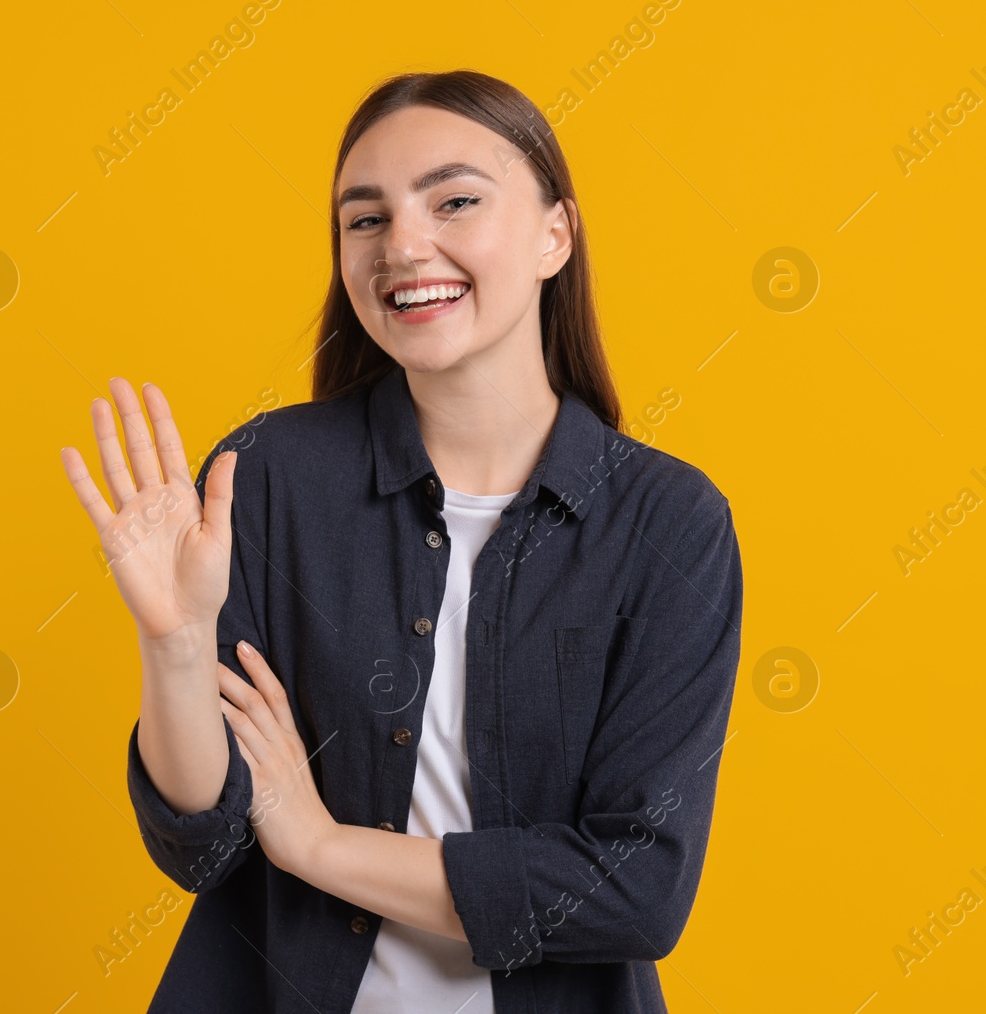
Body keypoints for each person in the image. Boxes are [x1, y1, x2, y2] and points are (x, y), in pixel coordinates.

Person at [58, 69, 744, 1014]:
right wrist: (175, 644)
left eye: (455, 200)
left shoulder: (669, 524)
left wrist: (319, 844)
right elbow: (203, 844)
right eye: (365, 219)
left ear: (556, 234)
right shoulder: (264, 476)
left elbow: (636, 889)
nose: (403, 247)